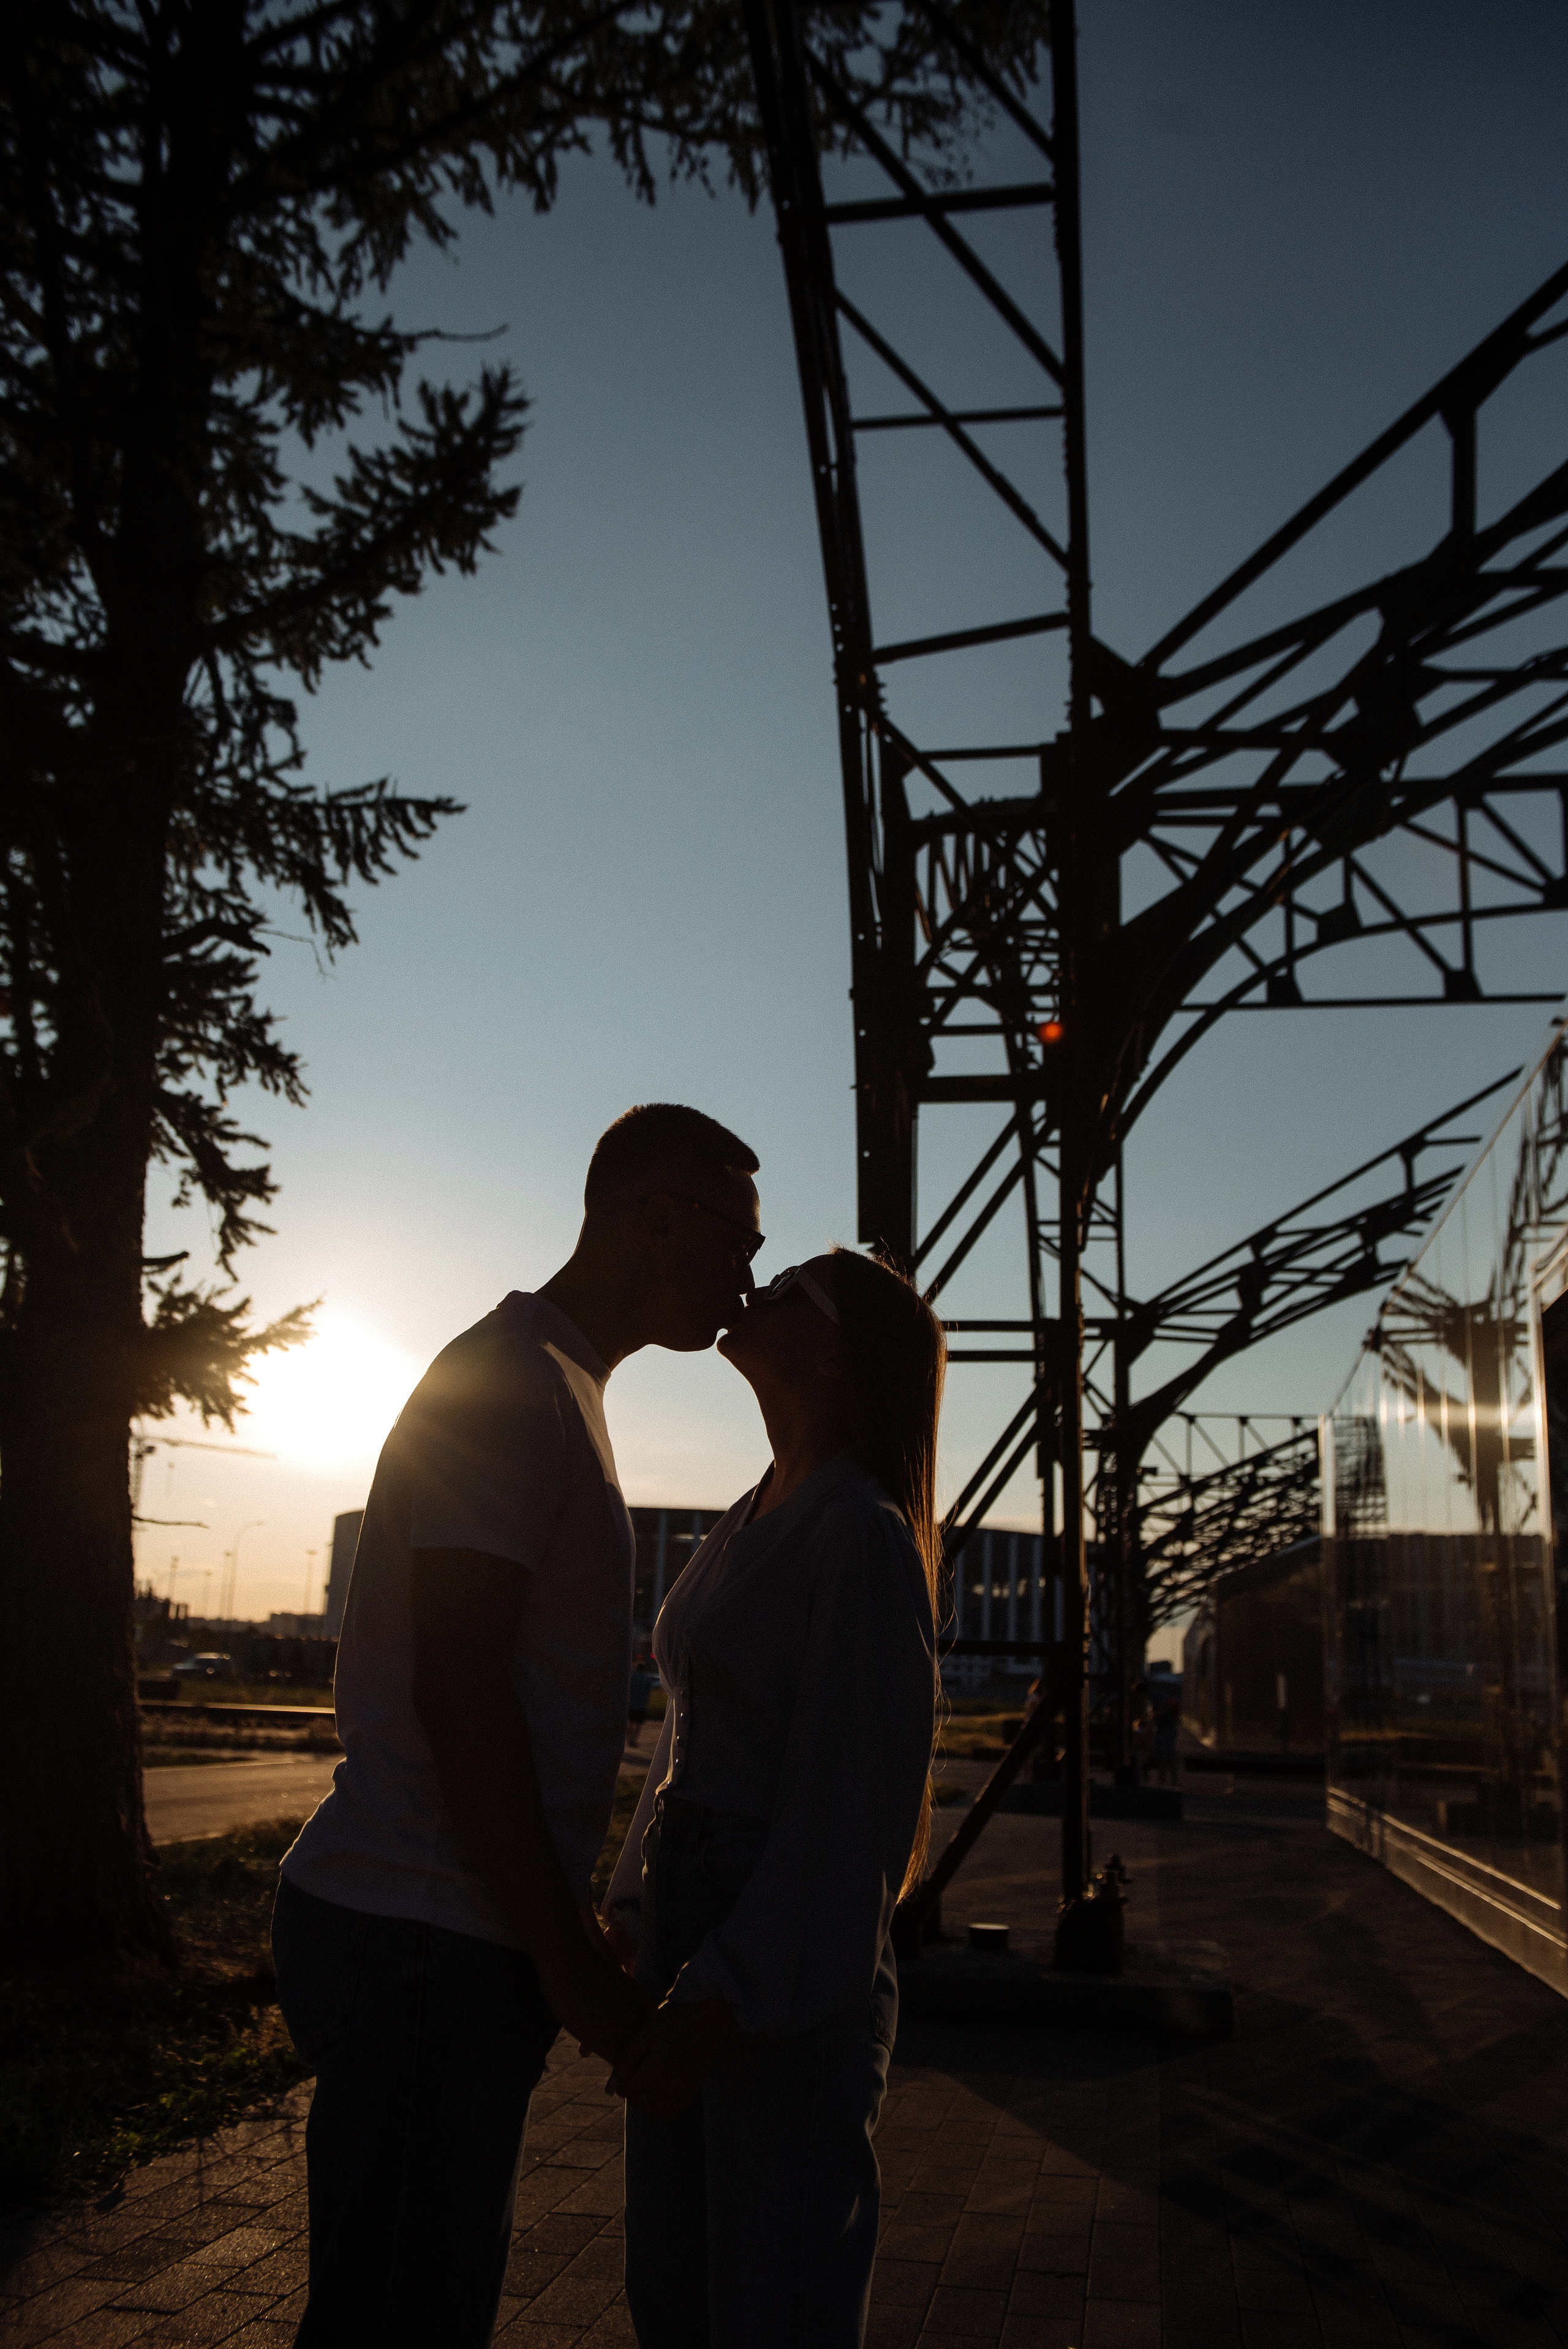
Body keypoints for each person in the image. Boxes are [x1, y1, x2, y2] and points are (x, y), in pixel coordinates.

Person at [271, 1103, 763, 2348]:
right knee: (399, 2320)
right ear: (658, 1216)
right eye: (737, 1241)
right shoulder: (512, 1382)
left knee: (408, 2304)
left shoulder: (555, 1381)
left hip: (444, 1929)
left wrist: (552, 1924)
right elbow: (461, 1682)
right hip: (424, 1936)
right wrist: (561, 1956)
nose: (746, 1278)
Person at [602, 1247, 942, 2349]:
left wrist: (720, 1991)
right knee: (675, 2284)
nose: (755, 1288)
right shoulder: (759, 1506)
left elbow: (847, 1814)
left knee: (769, 2298)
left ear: (834, 1353)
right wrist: (634, 1904)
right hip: (697, 1933)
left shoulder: (860, 1532)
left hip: (780, 1962)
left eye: (789, 1284)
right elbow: (690, 1734)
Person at [627, 1655, 658, 1746]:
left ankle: (629, 1738)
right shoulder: (646, 1678)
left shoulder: (632, 1677)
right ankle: (634, 1740)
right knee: (638, 1724)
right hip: (641, 1705)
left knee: (630, 1722)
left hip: (631, 1704)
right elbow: (648, 1691)